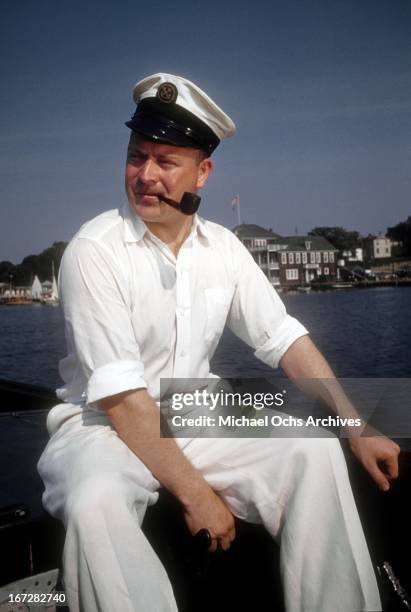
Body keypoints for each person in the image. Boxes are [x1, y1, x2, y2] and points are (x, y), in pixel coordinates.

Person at [38, 73, 400, 612]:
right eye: (137, 156)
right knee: (96, 504)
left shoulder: (224, 248)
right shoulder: (95, 251)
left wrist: (356, 425)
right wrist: (196, 494)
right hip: (101, 425)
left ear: (203, 172)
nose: (145, 176)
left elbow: (286, 341)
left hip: (192, 406)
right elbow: (121, 399)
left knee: (312, 446)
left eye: (166, 161)